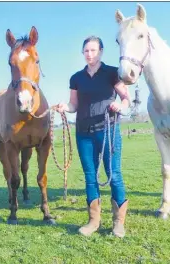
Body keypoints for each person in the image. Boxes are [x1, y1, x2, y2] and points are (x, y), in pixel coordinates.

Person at [55, 36, 130, 238]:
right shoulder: (76, 78)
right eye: (86, 51)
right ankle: (93, 221)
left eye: (93, 50)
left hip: (108, 131)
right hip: (83, 134)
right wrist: (65, 107)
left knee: (113, 174)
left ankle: (118, 222)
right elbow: (74, 105)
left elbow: (125, 98)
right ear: (83, 53)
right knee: (90, 177)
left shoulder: (112, 73)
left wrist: (120, 107)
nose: (90, 54)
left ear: (101, 52)